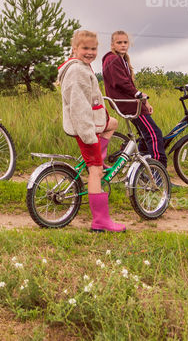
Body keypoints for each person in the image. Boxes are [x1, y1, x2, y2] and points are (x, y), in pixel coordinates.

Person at [57, 29, 126, 233]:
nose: (89, 52)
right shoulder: (77, 71)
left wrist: (103, 118)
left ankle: (98, 159)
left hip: (93, 122)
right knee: (96, 172)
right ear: (75, 49)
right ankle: (100, 221)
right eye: (85, 48)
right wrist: (89, 136)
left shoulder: (84, 66)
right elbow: (78, 106)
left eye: (93, 48)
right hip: (85, 128)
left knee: (113, 123)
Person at [102, 30, 166, 164]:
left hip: (130, 102)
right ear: (112, 45)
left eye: (125, 42)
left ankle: (144, 169)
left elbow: (127, 85)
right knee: (154, 134)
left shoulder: (121, 59)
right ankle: (159, 172)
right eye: (119, 42)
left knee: (144, 136)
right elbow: (121, 83)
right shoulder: (112, 59)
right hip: (128, 103)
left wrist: (143, 101)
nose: (123, 45)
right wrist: (140, 95)